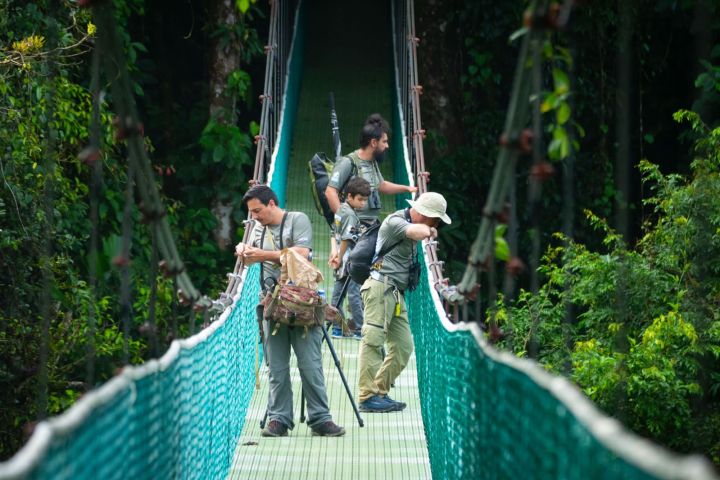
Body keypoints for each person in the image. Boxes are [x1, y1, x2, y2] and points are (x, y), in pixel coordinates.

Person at [235, 184, 345, 437]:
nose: (254, 217)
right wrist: (242, 249)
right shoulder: (256, 229)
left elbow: (301, 253)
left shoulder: (297, 220)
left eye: (258, 211)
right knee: (276, 366)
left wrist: (261, 254)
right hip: (271, 304)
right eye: (251, 212)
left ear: (272, 204)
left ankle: (320, 419)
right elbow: (247, 251)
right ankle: (279, 419)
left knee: (310, 364)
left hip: (303, 302)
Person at [357, 192, 451, 413]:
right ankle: (366, 396)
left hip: (396, 292)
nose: (436, 224)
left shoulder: (415, 223)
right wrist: (431, 230)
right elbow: (416, 231)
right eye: (435, 219)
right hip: (380, 288)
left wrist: (430, 227)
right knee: (373, 341)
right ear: (425, 214)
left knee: (404, 346)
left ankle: (379, 391)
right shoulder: (395, 221)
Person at [324, 113, 417, 224]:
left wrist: (408, 188)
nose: (387, 146)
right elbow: (330, 192)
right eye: (384, 141)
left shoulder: (372, 162)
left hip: (371, 224)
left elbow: (382, 185)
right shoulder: (347, 162)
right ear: (373, 142)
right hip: (354, 225)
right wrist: (343, 220)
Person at [327, 176, 371, 339]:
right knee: (354, 294)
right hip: (351, 260)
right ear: (349, 196)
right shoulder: (351, 215)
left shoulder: (340, 210)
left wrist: (334, 252)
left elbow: (333, 232)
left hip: (341, 259)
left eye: (365, 200)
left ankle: (337, 327)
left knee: (337, 294)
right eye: (360, 199)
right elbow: (346, 238)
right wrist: (338, 256)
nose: (363, 204)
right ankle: (360, 329)